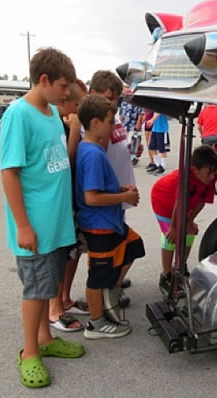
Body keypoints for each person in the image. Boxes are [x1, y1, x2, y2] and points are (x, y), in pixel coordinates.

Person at [0, 47, 83, 389]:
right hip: (34, 225)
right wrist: (22, 224)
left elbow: (57, 160)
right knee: (36, 290)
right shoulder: (19, 115)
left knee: (48, 285)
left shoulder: (51, 113)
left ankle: (46, 339)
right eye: (63, 86)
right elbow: (9, 172)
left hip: (55, 222)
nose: (67, 94)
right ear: (44, 79)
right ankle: (30, 352)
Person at [75, 94, 145, 339]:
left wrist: (120, 189)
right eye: (110, 120)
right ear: (95, 123)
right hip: (99, 225)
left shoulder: (92, 149)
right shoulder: (92, 154)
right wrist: (123, 198)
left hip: (109, 223)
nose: (114, 125)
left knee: (134, 245)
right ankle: (96, 323)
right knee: (97, 276)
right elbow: (92, 197)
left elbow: (100, 188)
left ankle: (112, 290)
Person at [47, 79, 89, 333]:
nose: (79, 110)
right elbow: (68, 160)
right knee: (60, 255)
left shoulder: (67, 120)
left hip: (71, 199)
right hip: (58, 201)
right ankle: (54, 309)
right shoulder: (58, 123)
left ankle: (65, 298)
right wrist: (74, 129)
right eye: (77, 104)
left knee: (73, 252)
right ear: (64, 102)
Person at [88, 71, 134, 302]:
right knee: (107, 250)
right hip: (108, 197)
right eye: (109, 98)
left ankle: (113, 281)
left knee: (121, 244)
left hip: (119, 196)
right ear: (94, 94)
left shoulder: (112, 117)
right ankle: (106, 291)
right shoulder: (98, 123)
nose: (113, 103)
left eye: (116, 99)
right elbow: (99, 157)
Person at [150, 145, 217, 296]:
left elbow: (201, 202)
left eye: (215, 172)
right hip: (163, 201)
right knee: (171, 238)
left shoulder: (209, 178)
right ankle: (166, 274)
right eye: (209, 172)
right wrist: (174, 227)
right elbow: (179, 204)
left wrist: (189, 221)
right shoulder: (184, 178)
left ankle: (180, 267)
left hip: (184, 205)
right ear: (194, 169)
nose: (213, 176)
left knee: (189, 233)